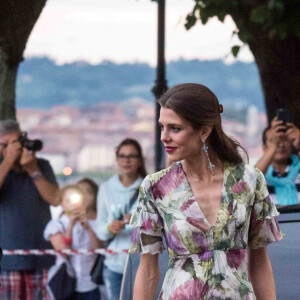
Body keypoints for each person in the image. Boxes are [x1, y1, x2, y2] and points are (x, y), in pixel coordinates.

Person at [129, 83, 284, 300]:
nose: (164, 136)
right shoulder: (155, 187)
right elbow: (147, 270)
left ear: (204, 130)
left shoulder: (249, 180)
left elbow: (259, 263)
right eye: (162, 127)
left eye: (175, 128)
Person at [0, 119, 59, 300]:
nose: (15, 148)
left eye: (17, 142)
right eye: (7, 144)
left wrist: (33, 170)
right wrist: (8, 161)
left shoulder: (41, 165)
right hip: (6, 261)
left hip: (41, 258)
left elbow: (55, 200)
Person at [96, 138, 147, 300]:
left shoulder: (148, 187)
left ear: (139, 160)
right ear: (117, 160)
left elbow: (159, 227)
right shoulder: (106, 188)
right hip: (114, 264)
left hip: (142, 263)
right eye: (123, 156)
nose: (127, 160)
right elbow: (100, 231)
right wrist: (110, 227)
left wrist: (139, 219)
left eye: (132, 156)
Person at [44, 184, 103, 299]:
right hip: (65, 284)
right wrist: (70, 226)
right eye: (68, 200)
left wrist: (88, 229)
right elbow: (64, 252)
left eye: (76, 199)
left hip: (90, 284)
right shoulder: (56, 225)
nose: (73, 204)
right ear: (61, 204)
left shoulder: (93, 224)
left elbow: (99, 250)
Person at [255, 117, 300, 205]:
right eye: (273, 140)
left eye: (284, 139)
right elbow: (249, 183)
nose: (280, 144)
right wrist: (273, 146)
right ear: (264, 149)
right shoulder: (261, 173)